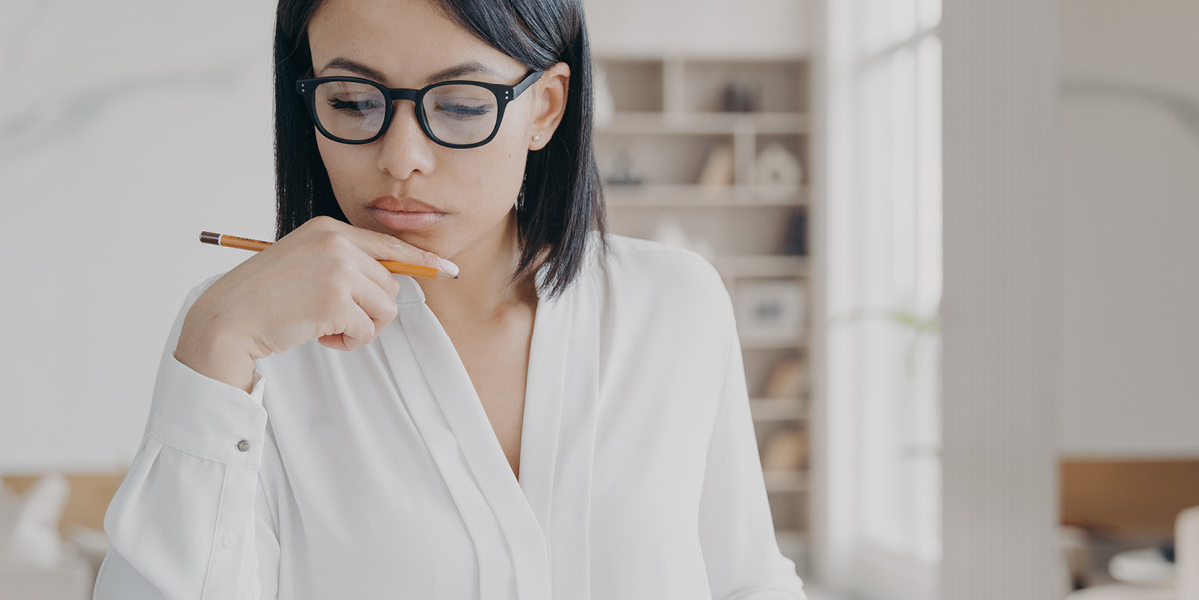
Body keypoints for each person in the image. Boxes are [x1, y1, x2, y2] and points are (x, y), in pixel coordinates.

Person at [91, 0, 808, 598]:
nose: (400, 157)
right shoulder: (248, 342)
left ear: (546, 109)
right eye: (350, 101)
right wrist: (215, 347)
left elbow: (746, 581)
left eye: (462, 106)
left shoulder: (676, 308)